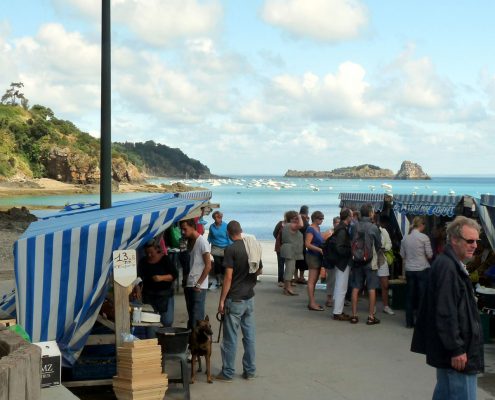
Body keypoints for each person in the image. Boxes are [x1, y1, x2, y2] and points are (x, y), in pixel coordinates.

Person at [411, 216, 484, 400]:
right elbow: (446, 312)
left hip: (454, 352)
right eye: (469, 241)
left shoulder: (449, 264)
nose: (474, 245)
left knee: (445, 393)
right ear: (454, 240)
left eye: (476, 241)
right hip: (458, 355)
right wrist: (456, 349)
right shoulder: (448, 267)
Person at [216, 221, 263, 382]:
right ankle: (250, 371)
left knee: (230, 338)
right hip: (249, 297)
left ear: (228, 233)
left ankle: (228, 372)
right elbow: (259, 270)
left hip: (234, 298)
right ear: (241, 231)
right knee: (249, 336)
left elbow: (228, 277)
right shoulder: (252, 247)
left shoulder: (230, 249)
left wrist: (222, 300)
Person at [349, 204, 382, 325]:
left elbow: (351, 240)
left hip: (356, 260)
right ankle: (370, 316)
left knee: (356, 287)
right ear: (370, 213)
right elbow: (378, 245)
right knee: (371, 288)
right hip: (369, 261)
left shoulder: (354, 226)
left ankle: (354, 315)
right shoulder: (373, 227)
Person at [137, 240, 178, 337]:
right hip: (149, 296)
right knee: (151, 323)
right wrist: (138, 288)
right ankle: (153, 344)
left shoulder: (165, 260)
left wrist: (161, 278)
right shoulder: (143, 262)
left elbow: (174, 275)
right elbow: (138, 278)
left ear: (157, 250)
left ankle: (166, 343)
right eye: (147, 253)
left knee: (167, 321)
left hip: (165, 295)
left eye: (151, 252)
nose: (149, 255)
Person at [400, 216, 433, 328]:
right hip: (422, 269)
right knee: (422, 296)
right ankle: (421, 322)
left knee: (409, 296)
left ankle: (409, 322)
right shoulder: (424, 238)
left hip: (409, 269)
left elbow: (402, 255)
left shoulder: (405, 238)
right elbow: (430, 255)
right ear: (421, 225)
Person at [180, 218, 212, 330]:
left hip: (198, 286)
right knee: (191, 317)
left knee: (197, 319)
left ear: (192, 227)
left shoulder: (202, 242)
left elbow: (208, 265)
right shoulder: (188, 241)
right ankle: (191, 344)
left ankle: (196, 345)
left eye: (185, 229)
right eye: (182, 230)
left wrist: (198, 284)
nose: (183, 232)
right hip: (189, 284)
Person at [305, 211, 332, 311]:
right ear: (315, 219)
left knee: (314, 281)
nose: (322, 220)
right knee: (311, 281)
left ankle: (312, 301)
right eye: (320, 218)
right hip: (312, 256)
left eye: (322, 218)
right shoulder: (310, 229)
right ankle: (312, 303)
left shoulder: (318, 228)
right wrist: (319, 249)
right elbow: (307, 244)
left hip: (317, 257)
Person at [329, 208, 353, 321]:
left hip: (339, 261)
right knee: (341, 287)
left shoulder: (340, 228)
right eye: (351, 216)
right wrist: (350, 251)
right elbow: (340, 248)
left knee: (340, 286)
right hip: (342, 262)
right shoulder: (343, 230)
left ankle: (338, 310)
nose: (352, 218)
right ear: (348, 217)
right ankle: (337, 312)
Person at [280, 210, 304, 296]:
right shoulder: (290, 225)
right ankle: (288, 288)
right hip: (290, 250)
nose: (297, 219)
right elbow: (301, 225)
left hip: (289, 249)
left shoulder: (286, 225)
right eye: (295, 218)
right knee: (290, 269)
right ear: (292, 219)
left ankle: (286, 288)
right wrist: (300, 217)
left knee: (289, 268)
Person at [208, 211, 231, 288]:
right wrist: (206, 246)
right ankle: (218, 280)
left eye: (220, 217)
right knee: (217, 264)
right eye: (217, 217)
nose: (218, 219)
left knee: (224, 265)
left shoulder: (226, 226)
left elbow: (229, 237)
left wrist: (231, 247)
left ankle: (224, 280)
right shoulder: (211, 227)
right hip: (215, 247)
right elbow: (210, 237)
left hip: (225, 247)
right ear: (214, 218)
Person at [377, 218, 395, 315]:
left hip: (382, 258)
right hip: (371, 260)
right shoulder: (370, 229)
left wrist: (385, 248)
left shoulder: (383, 231)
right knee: (372, 285)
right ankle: (373, 306)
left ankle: (386, 306)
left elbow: (389, 243)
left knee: (385, 284)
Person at [324, 216, 340, 307]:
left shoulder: (341, 232)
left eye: (339, 222)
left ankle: (336, 298)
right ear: (333, 223)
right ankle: (329, 298)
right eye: (336, 222)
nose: (338, 224)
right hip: (331, 260)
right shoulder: (329, 233)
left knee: (337, 280)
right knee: (331, 279)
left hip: (338, 261)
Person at [295, 205, 310, 284]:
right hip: (302, 242)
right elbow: (307, 229)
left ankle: (296, 277)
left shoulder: (296, 218)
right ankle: (301, 277)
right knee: (302, 260)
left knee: (296, 260)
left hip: (295, 242)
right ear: (306, 212)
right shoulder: (304, 219)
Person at [273, 217, 285, 287]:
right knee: (281, 264)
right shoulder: (280, 223)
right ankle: (280, 280)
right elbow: (274, 233)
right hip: (280, 247)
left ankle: (287, 280)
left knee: (289, 264)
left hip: (288, 248)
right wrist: (278, 240)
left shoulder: (292, 225)